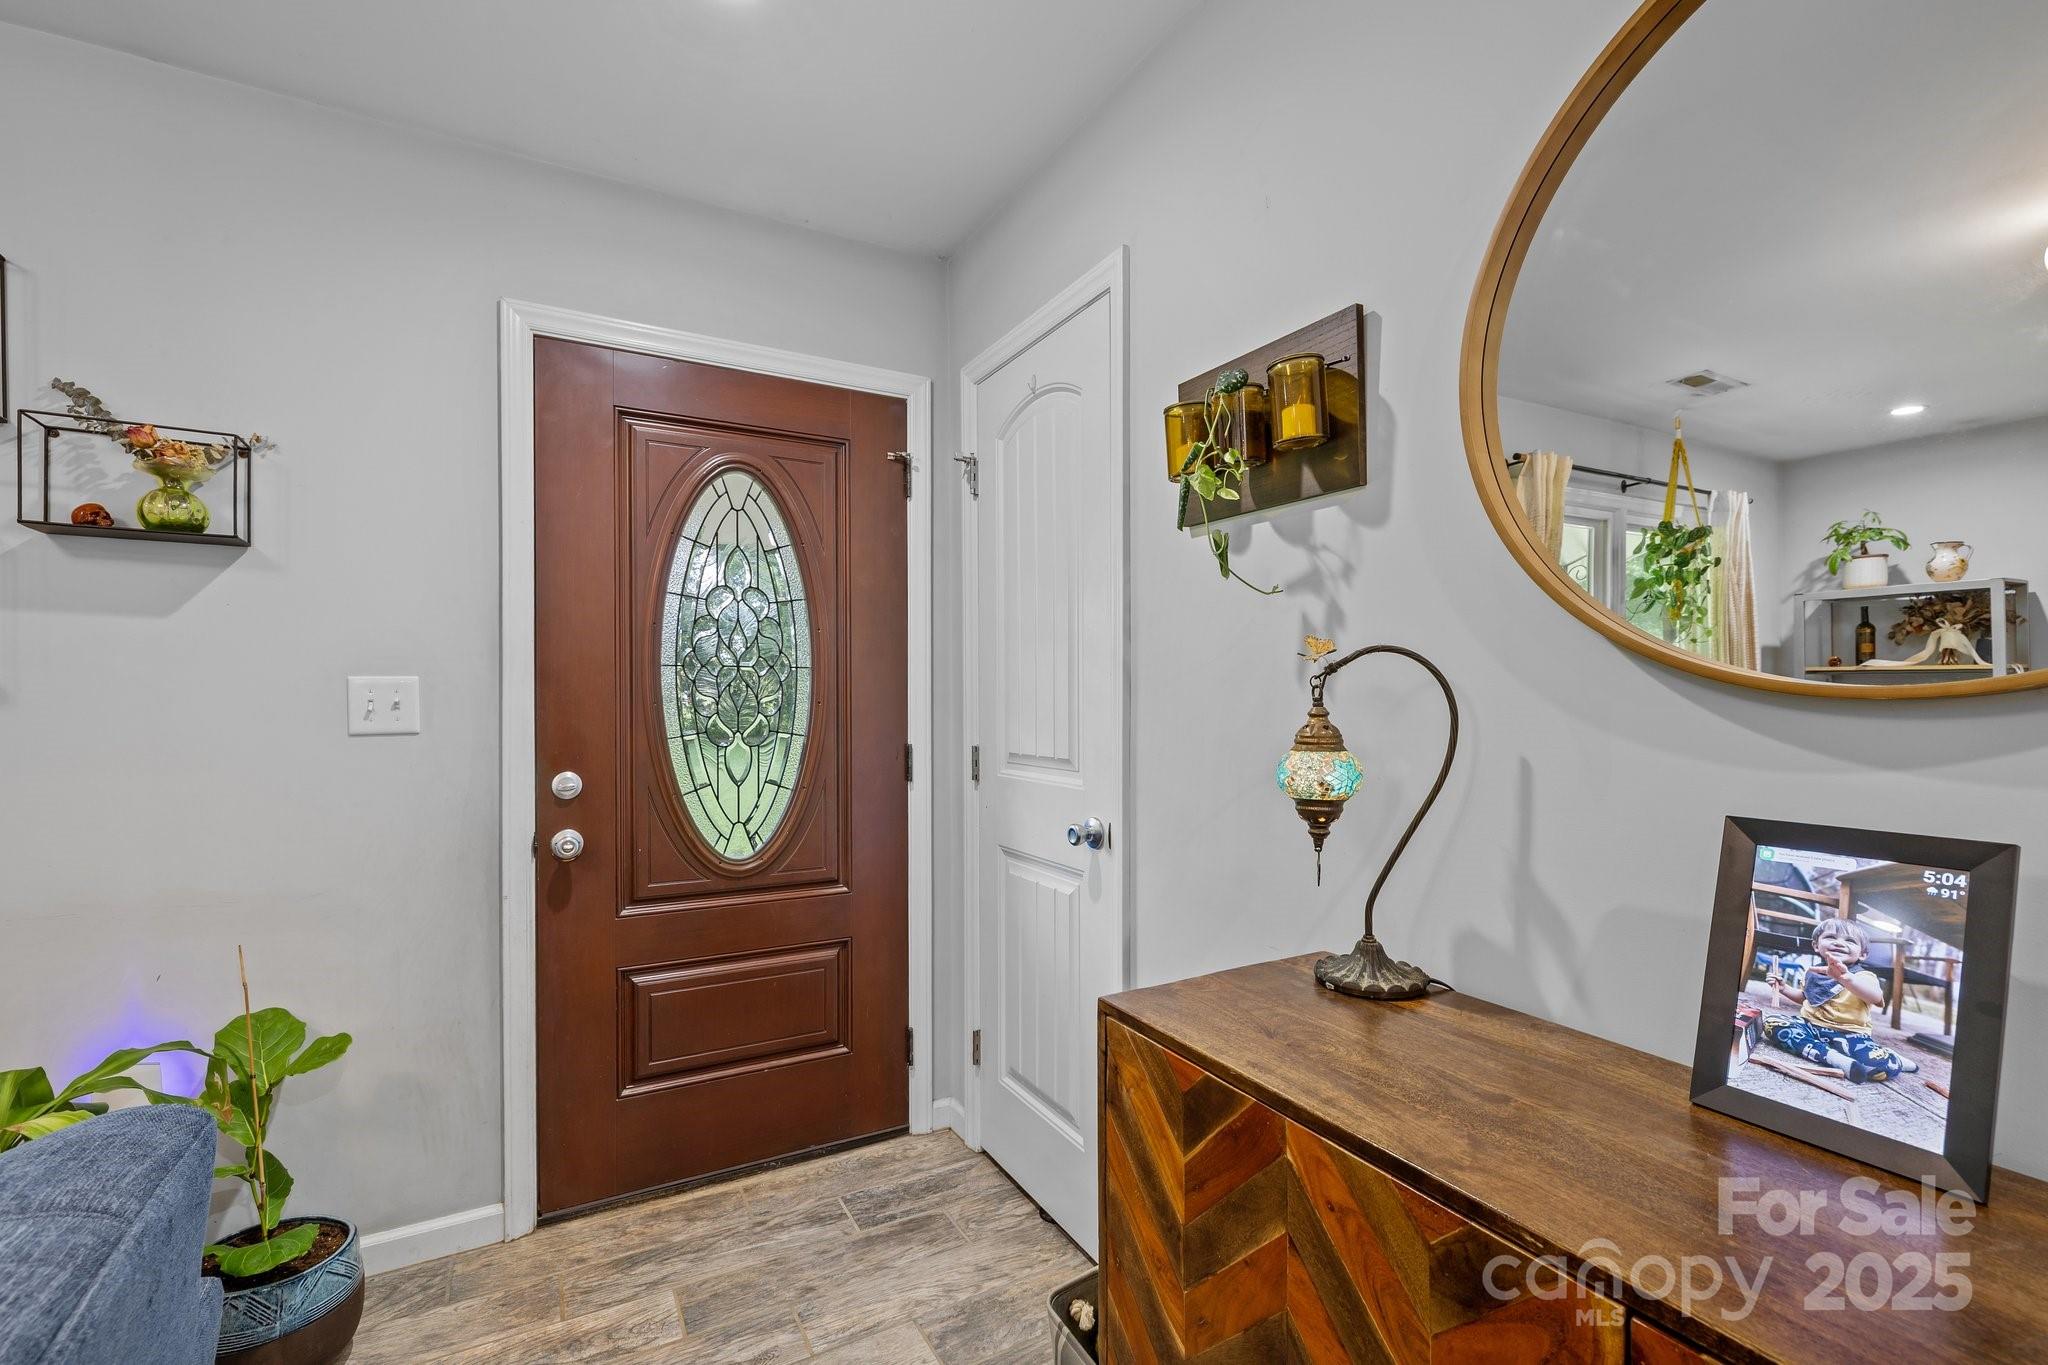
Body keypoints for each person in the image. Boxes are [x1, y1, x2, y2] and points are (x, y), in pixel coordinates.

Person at [1761, 919, 1919, 1083]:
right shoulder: (1814, 973)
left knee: (1881, 1067)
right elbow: (1806, 998)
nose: (1839, 943)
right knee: (1772, 1024)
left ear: (1863, 954)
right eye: (1830, 937)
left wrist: (1847, 979)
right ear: (1816, 945)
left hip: (1850, 1036)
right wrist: (1784, 989)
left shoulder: (1863, 977)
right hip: (1810, 1027)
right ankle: (1833, 1058)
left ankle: (1891, 1055)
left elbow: (1876, 997)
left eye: (1850, 941)